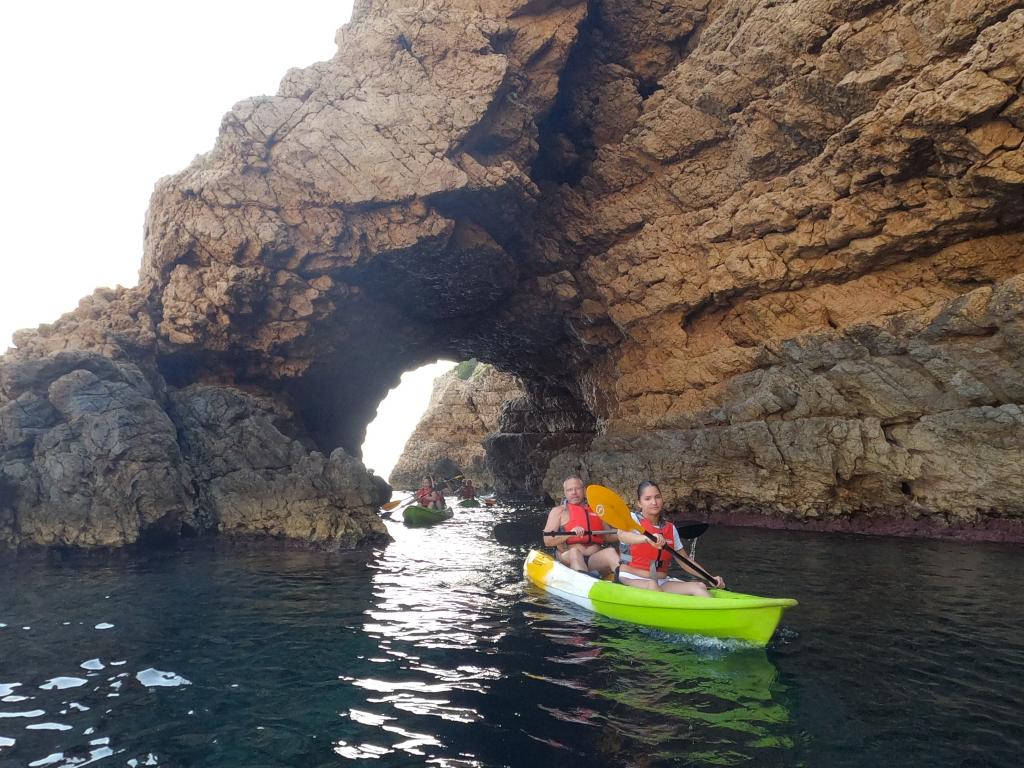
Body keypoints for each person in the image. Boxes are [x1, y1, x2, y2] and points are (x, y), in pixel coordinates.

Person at [617, 481, 725, 596]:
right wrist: (646, 538)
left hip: (661, 581)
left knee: (700, 586)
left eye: (657, 497)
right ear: (639, 503)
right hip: (631, 578)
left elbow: (684, 559)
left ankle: (713, 612)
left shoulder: (670, 528)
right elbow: (622, 535)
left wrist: (709, 577)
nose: (654, 502)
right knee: (653, 587)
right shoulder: (632, 519)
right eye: (647, 499)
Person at [542, 475, 619, 576]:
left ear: (584, 490)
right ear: (565, 493)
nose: (574, 492)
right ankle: (583, 581)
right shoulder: (558, 512)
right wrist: (570, 534)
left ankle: (626, 581)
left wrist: (623, 533)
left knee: (611, 552)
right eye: (569, 490)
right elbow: (547, 541)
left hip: (593, 559)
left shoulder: (596, 510)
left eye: (577, 488)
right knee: (575, 553)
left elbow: (608, 536)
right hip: (569, 557)